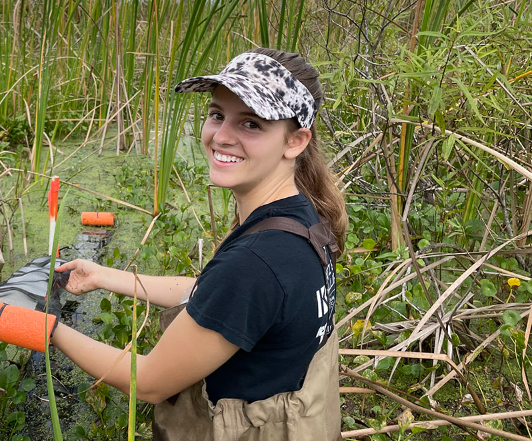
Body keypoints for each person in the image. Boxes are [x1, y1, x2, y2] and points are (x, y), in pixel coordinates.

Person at [51, 48, 348, 441]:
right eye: (217, 114)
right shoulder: (300, 217)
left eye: (252, 124)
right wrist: (104, 276)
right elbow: (215, 298)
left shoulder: (258, 263)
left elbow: (151, 381)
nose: (221, 136)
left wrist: (47, 329)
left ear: (295, 141)